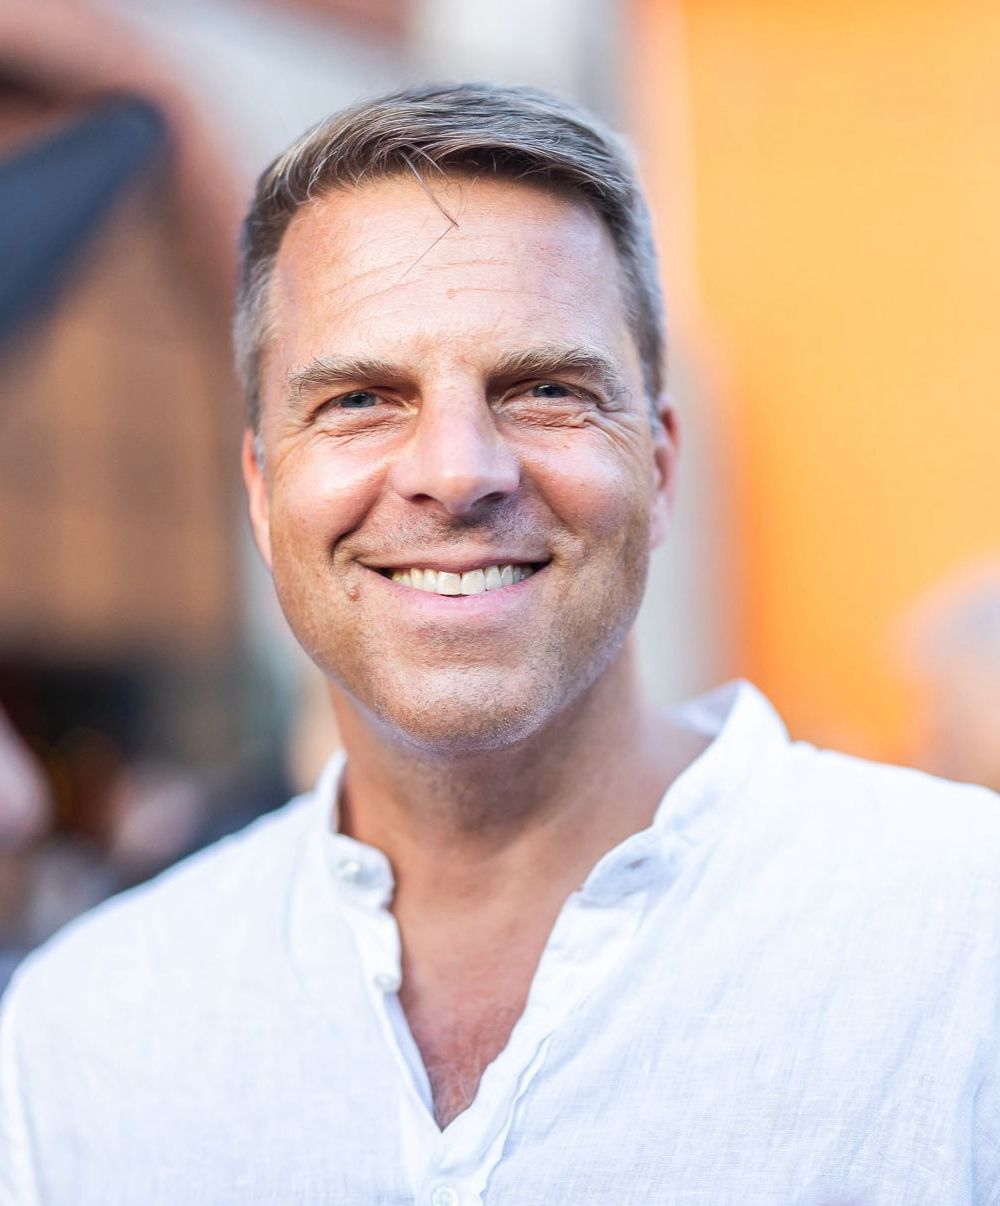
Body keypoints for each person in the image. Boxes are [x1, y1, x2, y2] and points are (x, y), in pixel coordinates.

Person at [2, 82, 999, 1206]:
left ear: (659, 468)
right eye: (361, 400)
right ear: (263, 495)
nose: (459, 471)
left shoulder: (966, 936)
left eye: (544, 390)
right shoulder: (82, 1038)